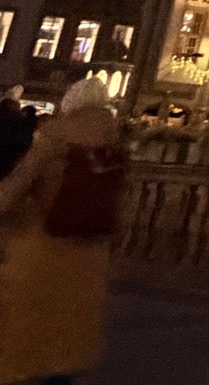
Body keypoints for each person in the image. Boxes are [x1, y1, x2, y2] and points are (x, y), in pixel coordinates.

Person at [0, 75, 129, 385]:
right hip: (90, 255)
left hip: (42, 247)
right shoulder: (116, 148)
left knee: (25, 334)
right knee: (66, 340)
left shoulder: (53, 139)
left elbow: (13, 190)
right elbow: (121, 208)